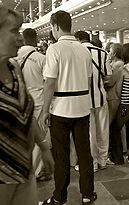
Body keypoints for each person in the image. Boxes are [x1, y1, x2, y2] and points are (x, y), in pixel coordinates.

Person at [40, 11, 96, 205]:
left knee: (61, 155)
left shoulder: (54, 49)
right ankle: (88, 194)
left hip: (60, 109)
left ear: (55, 26)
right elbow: (89, 81)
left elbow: (49, 83)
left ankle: (59, 197)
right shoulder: (84, 50)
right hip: (82, 107)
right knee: (84, 153)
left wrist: (45, 110)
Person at [0, 5, 54, 205]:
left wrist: (44, 147)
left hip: (24, 167)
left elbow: (24, 113)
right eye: (14, 31)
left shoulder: (14, 67)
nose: (20, 38)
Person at [16, 28, 52, 182]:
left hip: (20, 103)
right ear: (35, 39)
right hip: (38, 101)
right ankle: (36, 171)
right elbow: (48, 81)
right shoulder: (41, 58)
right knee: (40, 138)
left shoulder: (13, 58)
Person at [74, 31, 110, 173]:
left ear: (78, 39)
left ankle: (92, 163)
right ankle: (103, 160)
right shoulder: (102, 53)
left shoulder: (76, 52)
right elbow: (108, 77)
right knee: (103, 130)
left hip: (83, 99)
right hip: (101, 96)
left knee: (89, 132)